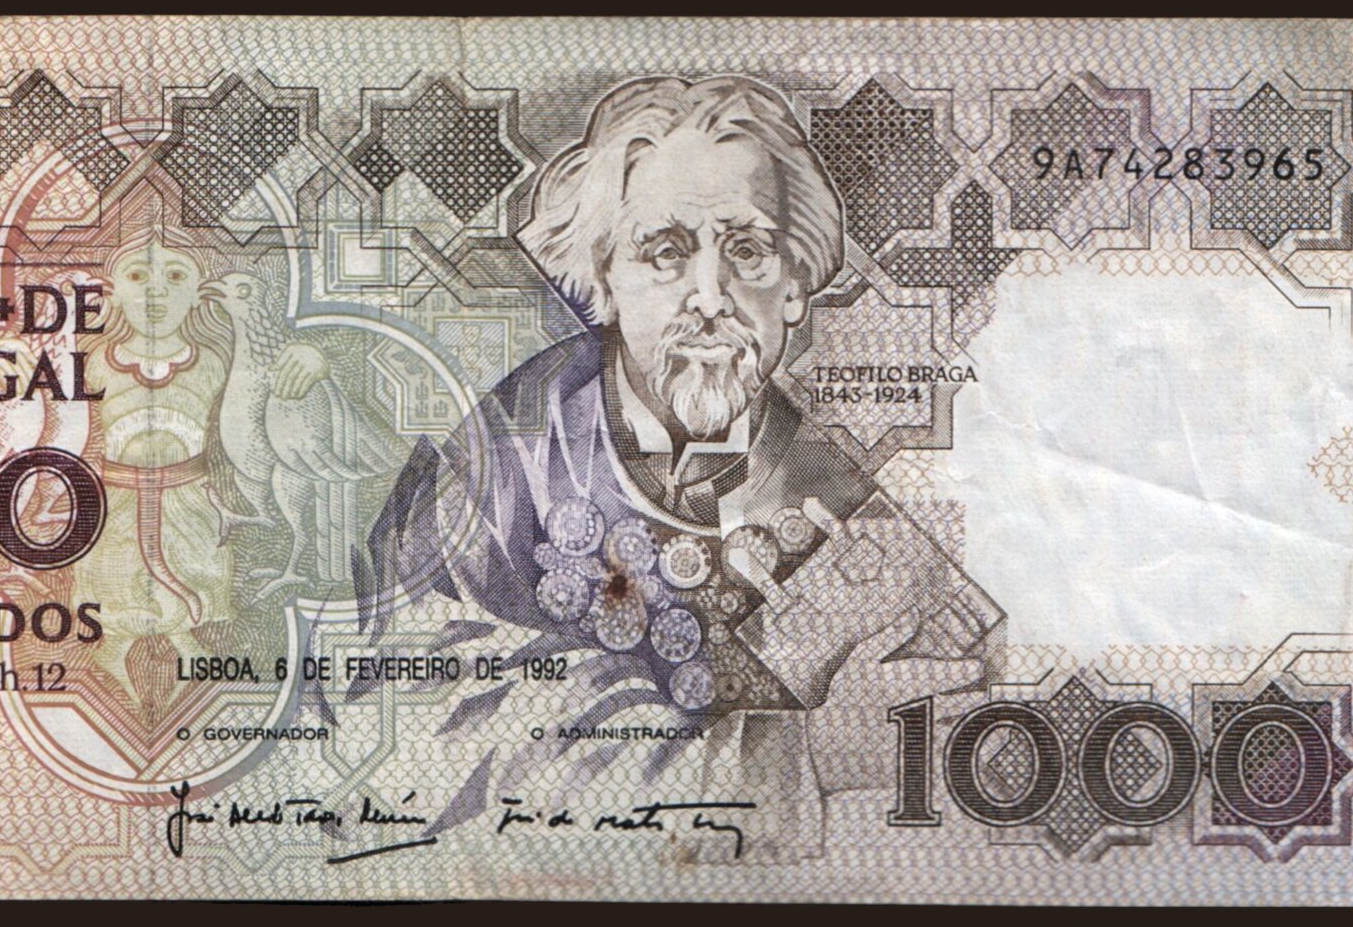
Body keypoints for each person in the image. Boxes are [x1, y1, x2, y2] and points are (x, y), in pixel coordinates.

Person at [357, 76, 993, 857]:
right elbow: (407, 717)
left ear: (795, 287)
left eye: (748, 251)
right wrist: (799, 758)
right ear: (605, 281)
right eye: (666, 252)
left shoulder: (837, 490)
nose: (711, 297)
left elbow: (948, 724)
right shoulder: (508, 454)